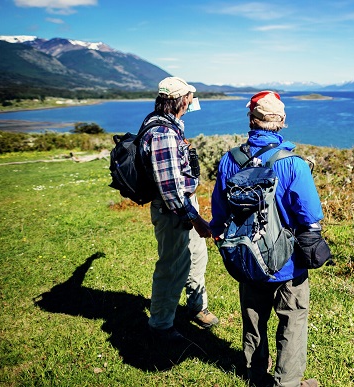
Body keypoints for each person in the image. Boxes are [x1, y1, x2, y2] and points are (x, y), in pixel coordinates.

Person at [210, 91, 323, 387]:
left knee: (253, 317)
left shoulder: (229, 161)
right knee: (293, 321)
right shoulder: (294, 164)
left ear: (252, 119)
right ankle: (287, 382)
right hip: (289, 262)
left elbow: (219, 213)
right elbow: (310, 215)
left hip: (247, 259)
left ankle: (255, 372)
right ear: (282, 121)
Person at [140, 76, 219, 342]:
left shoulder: (170, 126)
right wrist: (195, 219)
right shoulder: (162, 134)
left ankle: (197, 307)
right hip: (173, 210)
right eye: (189, 97)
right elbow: (171, 190)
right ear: (180, 100)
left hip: (184, 206)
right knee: (172, 267)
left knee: (197, 258)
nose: (191, 101)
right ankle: (161, 325)